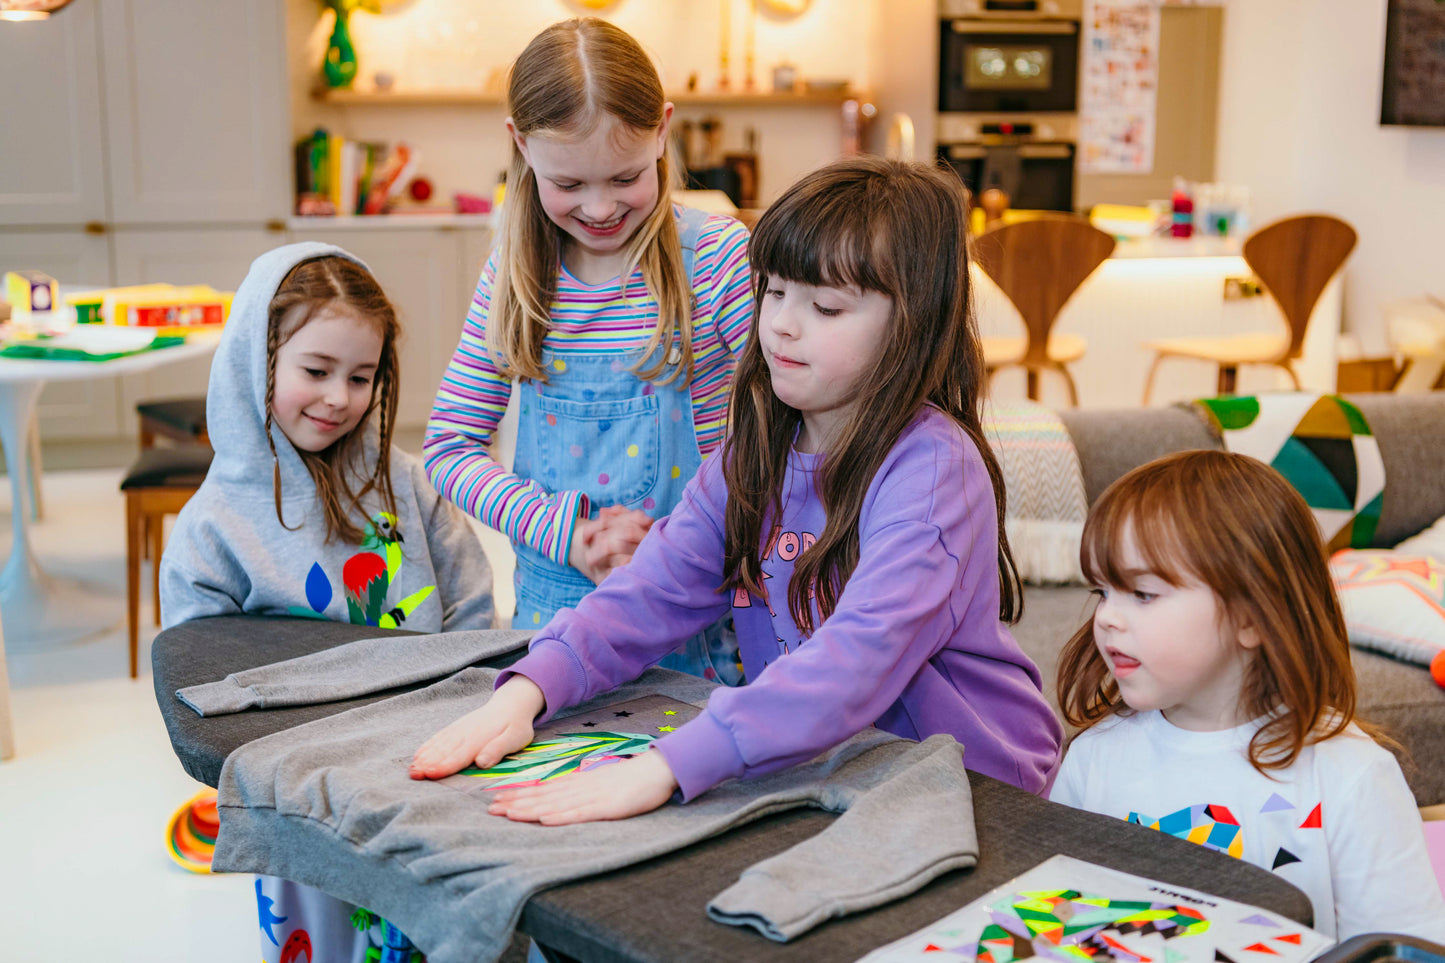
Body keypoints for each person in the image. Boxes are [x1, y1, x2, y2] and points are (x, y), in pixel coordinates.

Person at [410, 156, 1065, 824]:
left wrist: (665, 767)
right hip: (839, 765)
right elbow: (650, 592)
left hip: (973, 784)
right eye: (774, 291)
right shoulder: (753, 454)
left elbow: (855, 660)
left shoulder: (930, 470)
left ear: (912, 325)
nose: (780, 323)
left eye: (826, 305)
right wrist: (525, 692)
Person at [160, 242, 498, 963]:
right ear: (261, 358)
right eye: (315, 370)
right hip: (301, 793)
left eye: (361, 375)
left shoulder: (404, 481)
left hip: (425, 772)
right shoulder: (215, 521)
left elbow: (471, 604)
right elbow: (195, 668)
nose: (338, 397)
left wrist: (474, 715)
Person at [424, 17, 753, 684]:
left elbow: (781, 429)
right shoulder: (513, 277)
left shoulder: (716, 258)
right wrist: (564, 532)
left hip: (699, 610)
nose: (600, 208)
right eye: (569, 185)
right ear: (519, 145)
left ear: (662, 130)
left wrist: (693, 539)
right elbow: (448, 448)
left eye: (626, 177)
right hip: (556, 618)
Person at [1049, 450, 1445, 942]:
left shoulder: (1350, 778)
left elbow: (1403, 950)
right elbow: (1057, 918)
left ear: (1251, 617)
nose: (1106, 617)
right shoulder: (1095, 756)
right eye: (1102, 592)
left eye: (1143, 594)